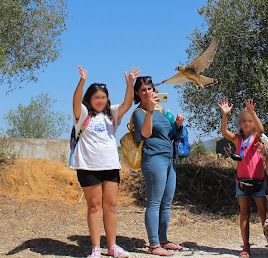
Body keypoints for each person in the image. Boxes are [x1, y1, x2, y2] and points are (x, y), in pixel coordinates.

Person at [70, 65, 140, 258]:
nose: (100, 100)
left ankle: (112, 246)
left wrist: (130, 84)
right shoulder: (83, 115)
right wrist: (81, 82)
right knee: (94, 206)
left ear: (107, 99)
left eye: (103, 97)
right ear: (90, 99)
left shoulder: (112, 114)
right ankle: (95, 248)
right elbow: (76, 102)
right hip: (88, 166)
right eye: (96, 97)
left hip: (110, 166)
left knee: (111, 206)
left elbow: (127, 104)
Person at [132, 76, 185, 256]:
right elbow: (146, 134)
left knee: (166, 203)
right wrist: (149, 111)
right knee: (154, 202)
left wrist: (177, 125)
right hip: (153, 158)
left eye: (149, 88)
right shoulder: (139, 113)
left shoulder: (160, 111)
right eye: (143, 90)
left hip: (169, 158)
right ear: (138, 93)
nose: (147, 92)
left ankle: (163, 240)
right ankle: (154, 245)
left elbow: (169, 135)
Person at [218, 98, 267, 258]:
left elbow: (262, 130)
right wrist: (225, 114)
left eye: (250, 121)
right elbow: (224, 132)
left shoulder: (257, 137)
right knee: (244, 215)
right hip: (242, 183)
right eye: (244, 121)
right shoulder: (237, 139)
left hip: (259, 182)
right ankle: (246, 246)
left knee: (263, 214)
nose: (247, 123)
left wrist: (252, 112)